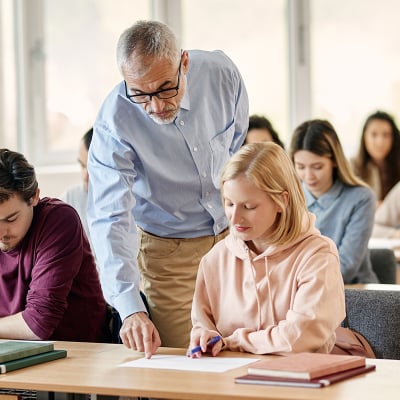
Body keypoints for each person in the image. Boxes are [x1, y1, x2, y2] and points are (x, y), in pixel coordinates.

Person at [87, 20, 249, 356]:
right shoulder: (114, 122)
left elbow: (236, 147)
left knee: (246, 354)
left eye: (165, 88)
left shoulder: (222, 75)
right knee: (188, 361)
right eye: (140, 95)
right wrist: (131, 308)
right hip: (169, 252)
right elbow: (109, 218)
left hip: (236, 239)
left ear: (184, 63)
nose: (156, 106)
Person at [189, 142, 345, 356]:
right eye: (229, 203)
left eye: (249, 206)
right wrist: (203, 337)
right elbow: (202, 325)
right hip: (230, 381)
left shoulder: (318, 255)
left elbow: (299, 338)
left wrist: (233, 341)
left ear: (281, 201)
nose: (235, 218)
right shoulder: (215, 258)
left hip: (300, 382)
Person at [0, 148, 109, 342]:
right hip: (11, 351)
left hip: (76, 354)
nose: (1, 234)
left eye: (10, 219)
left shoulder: (59, 221)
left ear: (34, 197)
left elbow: (37, 324)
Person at [290, 119, 378, 284]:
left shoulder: (361, 198)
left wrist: (298, 281)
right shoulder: (288, 197)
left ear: (334, 161)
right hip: (301, 290)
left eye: (317, 167)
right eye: (301, 167)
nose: (309, 176)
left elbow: (346, 266)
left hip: (354, 293)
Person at [351, 110, 400, 207]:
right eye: (374, 134)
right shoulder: (352, 166)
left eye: (386, 135)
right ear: (364, 137)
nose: (380, 142)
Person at [61, 127, 92, 239]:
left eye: (92, 169)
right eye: (82, 165)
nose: (85, 176)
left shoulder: (131, 204)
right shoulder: (70, 199)